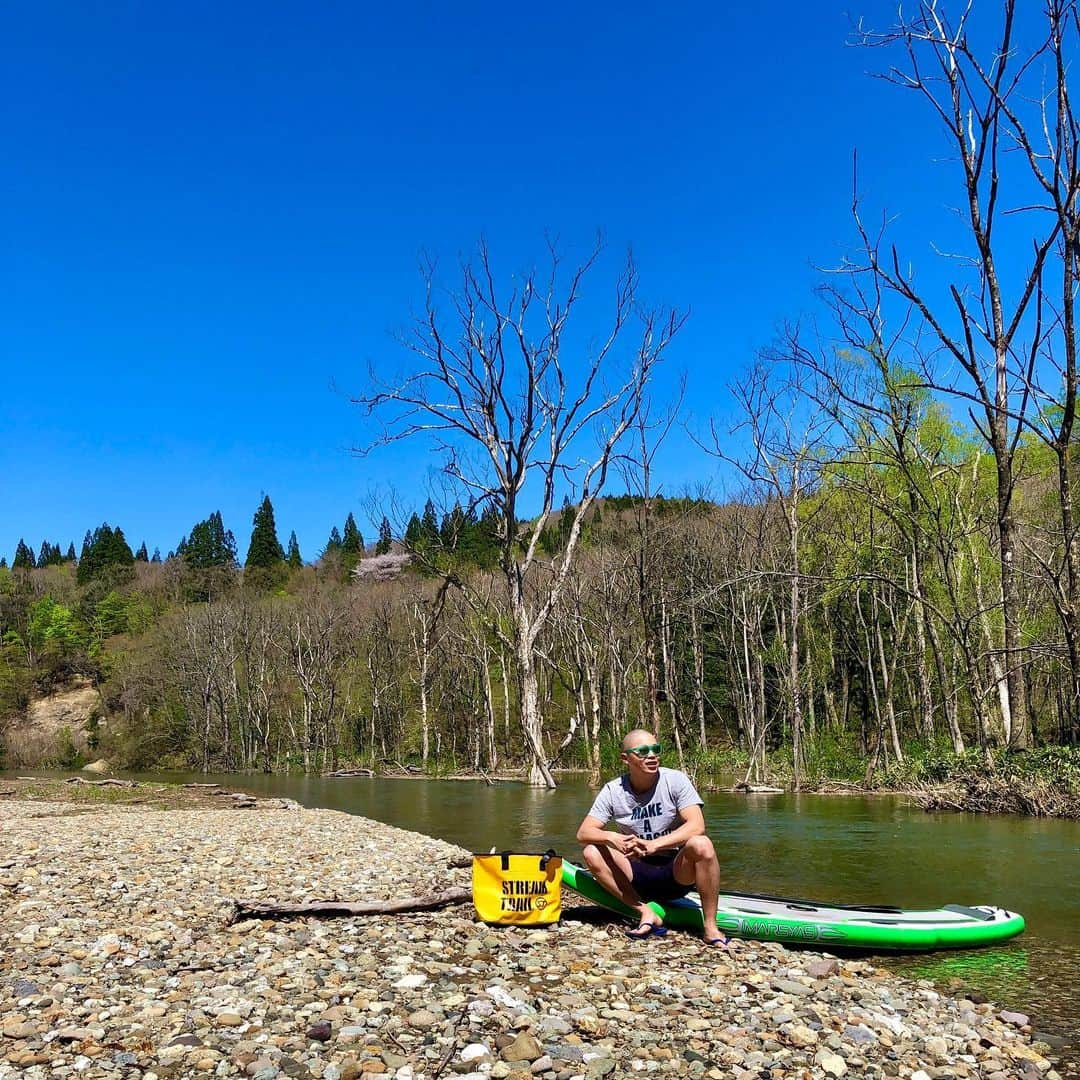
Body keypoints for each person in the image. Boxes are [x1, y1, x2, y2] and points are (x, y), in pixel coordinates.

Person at [576, 728, 726, 944]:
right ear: (625, 759)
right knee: (591, 850)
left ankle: (710, 926)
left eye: (655, 749)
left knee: (702, 844)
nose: (652, 755)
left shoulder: (675, 780)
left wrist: (654, 845)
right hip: (634, 871)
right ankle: (644, 911)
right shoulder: (612, 790)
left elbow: (697, 825)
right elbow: (583, 833)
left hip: (675, 872)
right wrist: (612, 838)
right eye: (643, 751)